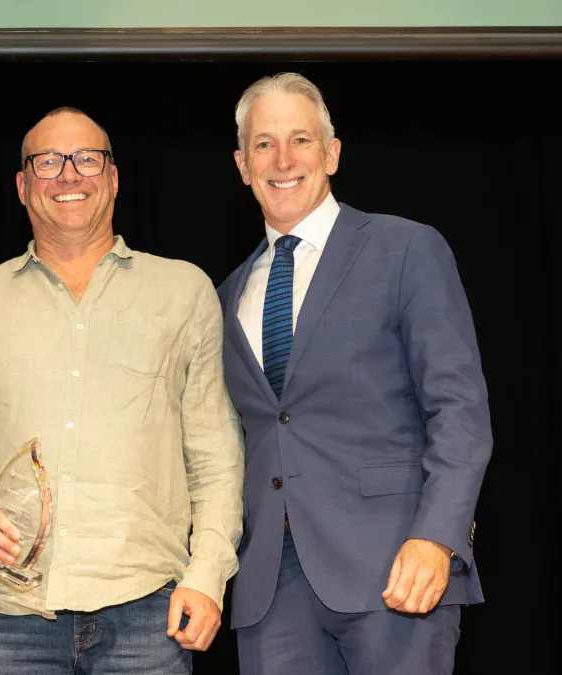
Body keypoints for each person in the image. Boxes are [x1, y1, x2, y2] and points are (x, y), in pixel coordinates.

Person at [0, 107, 245, 674]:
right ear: (22, 185)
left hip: (148, 616)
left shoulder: (183, 292)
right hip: (5, 617)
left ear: (113, 177)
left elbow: (215, 457)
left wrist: (207, 575)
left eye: (87, 158)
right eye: (47, 162)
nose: (68, 175)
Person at [217, 72, 491, 675]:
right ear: (242, 164)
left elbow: (460, 411)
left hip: (395, 568)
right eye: (263, 144)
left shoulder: (405, 249)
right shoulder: (226, 293)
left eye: (301, 140)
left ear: (332, 153)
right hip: (270, 590)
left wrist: (438, 536)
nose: (282, 159)